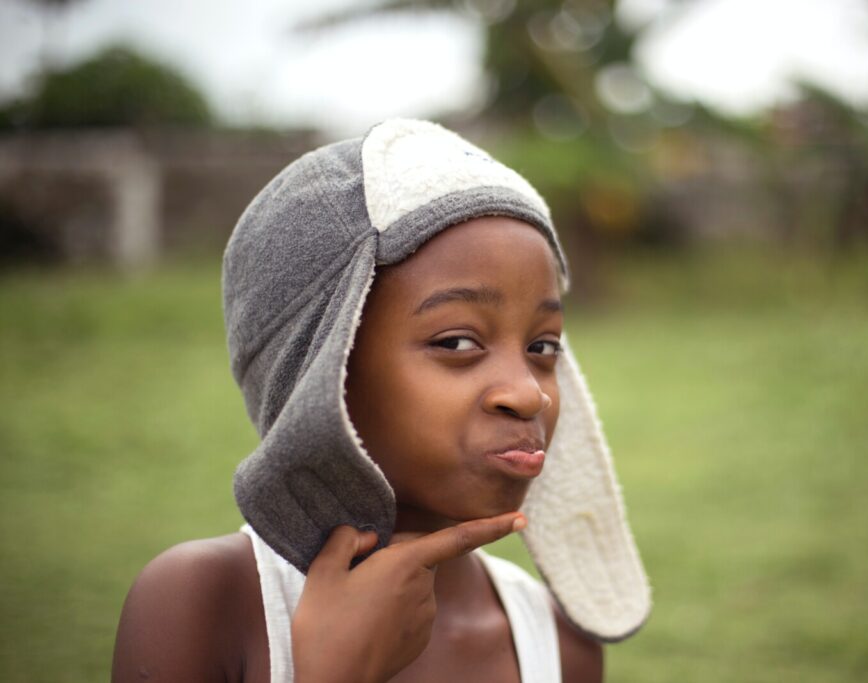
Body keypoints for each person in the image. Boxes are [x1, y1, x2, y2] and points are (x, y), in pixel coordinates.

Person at [112, 119, 650, 682]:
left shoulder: (559, 643)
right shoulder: (205, 604)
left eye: (543, 346)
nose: (528, 392)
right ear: (324, 368)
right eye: (457, 342)